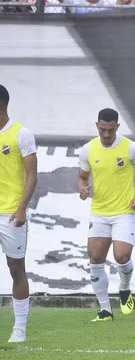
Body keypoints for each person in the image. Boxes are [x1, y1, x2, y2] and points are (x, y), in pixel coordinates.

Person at [77, 108, 135, 322]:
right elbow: (82, 177)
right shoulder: (88, 150)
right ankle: (105, 310)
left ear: (117, 127)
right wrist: (82, 188)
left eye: (111, 130)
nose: (107, 134)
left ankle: (125, 288)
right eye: (102, 129)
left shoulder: (131, 148)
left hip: (124, 212)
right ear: (97, 126)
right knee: (95, 259)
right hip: (99, 213)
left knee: (122, 256)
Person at [0, 85, 37, 343]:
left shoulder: (21, 134)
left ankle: (19, 329)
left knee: (16, 269)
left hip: (11, 214)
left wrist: (22, 206)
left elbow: (32, 174)